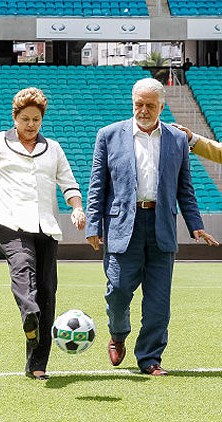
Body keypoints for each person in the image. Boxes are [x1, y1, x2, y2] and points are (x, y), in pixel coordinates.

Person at [85, 78, 219, 377]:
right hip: (122, 226)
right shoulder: (108, 136)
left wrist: (195, 224)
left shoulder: (177, 138)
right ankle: (118, 334)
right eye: (138, 104)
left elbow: (185, 188)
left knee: (159, 301)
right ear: (132, 103)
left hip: (161, 226)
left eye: (149, 105)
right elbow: (97, 186)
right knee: (117, 291)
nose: (143, 110)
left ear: (161, 105)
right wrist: (94, 226)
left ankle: (150, 358)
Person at [0, 87, 86, 381]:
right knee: (22, 263)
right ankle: (28, 313)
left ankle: (37, 363)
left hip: (45, 225)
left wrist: (77, 208)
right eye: (25, 119)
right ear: (15, 118)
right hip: (7, 221)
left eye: (36, 120)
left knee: (47, 292)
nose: (31, 125)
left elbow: (69, 183)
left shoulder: (53, 149)